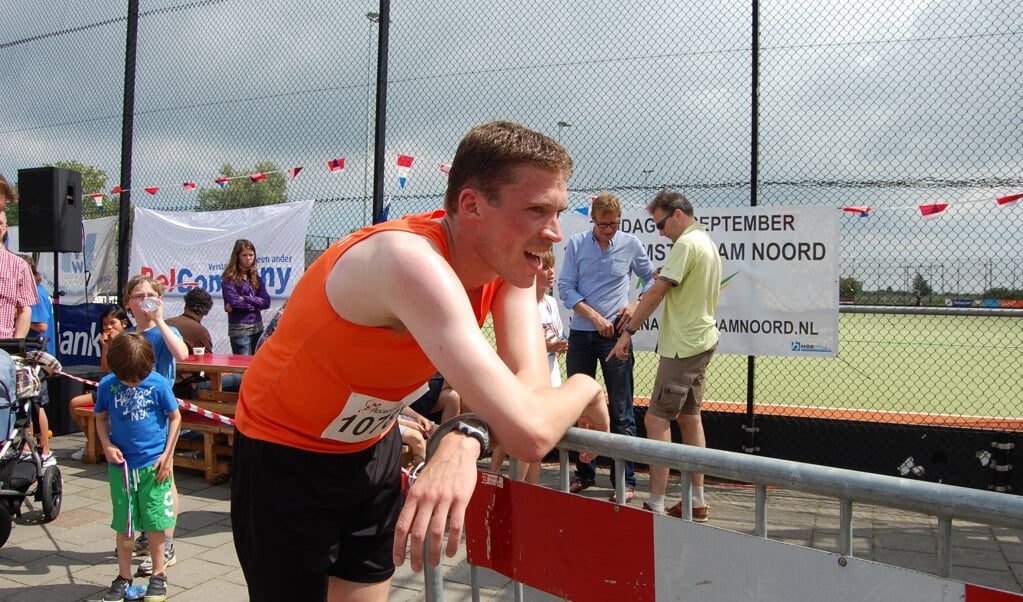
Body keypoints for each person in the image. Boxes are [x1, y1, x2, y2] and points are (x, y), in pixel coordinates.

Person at [230, 120, 610, 601]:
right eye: (537, 210)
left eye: (557, 211)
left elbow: (528, 390)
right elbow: (531, 432)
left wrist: (464, 437)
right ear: (471, 205)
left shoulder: (509, 263)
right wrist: (584, 385)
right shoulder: (408, 260)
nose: (554, 232)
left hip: (371, 447)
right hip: (284, 452)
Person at [608, 189, 721, 522]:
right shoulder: (703, 241)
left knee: (656, 420)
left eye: (660, 223)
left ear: (678, 215)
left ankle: (655, 504)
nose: (659, 231)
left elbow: (656, 292)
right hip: (699, 341)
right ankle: (696, 501)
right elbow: (666, 283)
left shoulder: (686, 243)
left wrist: (628, 332)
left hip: (683, 347)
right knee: (689, 417)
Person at [558, 191, 656, 502]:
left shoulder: (631, 244)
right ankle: (585, 473)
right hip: (582, 336)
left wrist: (635, 303)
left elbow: (653, 281)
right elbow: (566, 288)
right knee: (580, 407)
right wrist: (593, 315)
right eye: (603, 225)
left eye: (614, 224)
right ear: (592, 221)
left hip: (615, 337)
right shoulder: (576, 244)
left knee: (622, 409)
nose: (609, 230)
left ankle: (623, 479)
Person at [94, 332, 181, 602]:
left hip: (154, 468)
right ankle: (123, 575)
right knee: (125, 526)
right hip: (121, 470)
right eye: (126, 379)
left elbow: (175, 418)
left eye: (137, 379)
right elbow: (99, 418)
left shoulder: (158, 384)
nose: (132, 384)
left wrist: (167, 455)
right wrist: (106, 444)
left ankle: (158, 574)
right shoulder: (107, 385)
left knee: (155, 525)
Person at [122, 274, 188, 576]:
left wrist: (159, 320)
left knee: (163, 477)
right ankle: (149, 537)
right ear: (128, 303)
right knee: (137, 480)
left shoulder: (165, 331)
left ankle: (167, 542)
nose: (145, 299)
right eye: (138, 295)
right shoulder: (128, 336)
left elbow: (182, 354)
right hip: (132, 416)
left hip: (160, 416)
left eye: (151, 294)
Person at [489, 251, 566, 483]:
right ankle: (499, 480)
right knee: (515, 436)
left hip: (549, 376)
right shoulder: (520, 304)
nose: (551, 273)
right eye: (545, 268)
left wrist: (557, 346)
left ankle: (531, 488)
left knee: (536, 440)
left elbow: (555, 337)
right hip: (523, 381)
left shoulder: (551, 303)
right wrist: (545, 345)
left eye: (552, 268)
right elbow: (521, 344)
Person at [70, 306, 132, 461]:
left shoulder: (131, 340)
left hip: (124, 388)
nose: (109, 327)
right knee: (74, 404)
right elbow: (105, 370)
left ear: (124, 323)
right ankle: (94, 443)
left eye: (113, 323)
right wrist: (105, 348)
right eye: (105, 324)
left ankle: (97, 444)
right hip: (108, 387)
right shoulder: (108, 341)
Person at [21, 254, 56, 466]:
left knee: (36, 403)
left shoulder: (36, 294)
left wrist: (21, 317)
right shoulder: (30, 293)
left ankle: (45, 450)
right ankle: (28, 447)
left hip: (38, 357)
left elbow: (41, 326)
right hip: (30, 356)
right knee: (28, 402)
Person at [221, 239, 271, 355]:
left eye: (251, 255)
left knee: (257, 365)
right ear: (237, 256)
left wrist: (246, 298)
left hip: (258, 328)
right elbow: (235, 302)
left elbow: (266, 302)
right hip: (240, 330)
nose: (248, 258)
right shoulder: (229, 279)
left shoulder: (256, 278)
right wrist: (256, 304)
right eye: (244, 255)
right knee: (242, 367)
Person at [164, 287, 216, 398]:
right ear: (206, 312)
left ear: (186, 305)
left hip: (164, 383)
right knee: (238, 379)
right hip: (185, 387)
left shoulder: (164, 324)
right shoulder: (200, 332)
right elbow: (209, 368)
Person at [0, 209, 38, 341]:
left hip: (3, 345)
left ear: (5, 228)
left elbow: (25, 310)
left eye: (0, 223)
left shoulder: (19, 266)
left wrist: (15, 345)